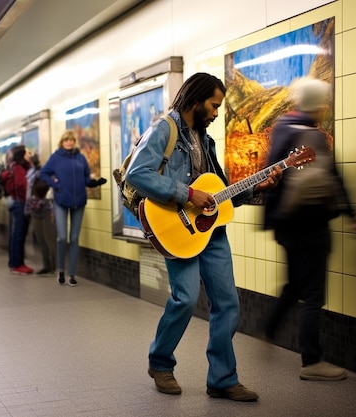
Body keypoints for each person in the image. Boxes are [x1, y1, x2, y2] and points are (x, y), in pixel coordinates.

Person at [125, 72, 281, 401]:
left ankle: (223, 379)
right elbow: (137, 174)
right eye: (213, 105)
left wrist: (256, 187)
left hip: (212, 232)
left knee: (227, 304)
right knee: (184, 298)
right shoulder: (165, 129)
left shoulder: (205, 139)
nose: (216, 112)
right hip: (176, 229)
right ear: (196, 100)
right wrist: (186, 194)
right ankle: (160, 363)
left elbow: (219, 193)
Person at [262, 76, 356, 381]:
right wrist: (351, 213)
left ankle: (269, 326)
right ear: (318, 104)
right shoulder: (312, 136)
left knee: (293, 284)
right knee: (314, 294)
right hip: (311, 224)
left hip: (286, 223)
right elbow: (332, 175)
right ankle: (311, 361)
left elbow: (271, 173)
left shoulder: (282, 128)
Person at [40, 130, 107, 286]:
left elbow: (85, 179)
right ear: (62, 142)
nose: (69, 142)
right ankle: (61, 270)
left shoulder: (81, 157)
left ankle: (72, 274)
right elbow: (44, 174)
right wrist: (56, 185)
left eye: (71, 140)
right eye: (66, 140)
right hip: (61, 201)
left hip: (79, 202)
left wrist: (95, 183)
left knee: (75, 238)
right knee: (62, 237)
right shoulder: (56, 157)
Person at [3, 144, 34, 275]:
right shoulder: (19, 168)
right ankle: (17, 264)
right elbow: (22, 186)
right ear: (22, 155)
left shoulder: (16, 166)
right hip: (20, 203)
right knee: (19, 234)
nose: (30, 155)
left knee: (16, 234)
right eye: (27, 153)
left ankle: (14, 263)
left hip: (16, 202)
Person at [25, 154, 56, 274]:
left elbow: (53, 194)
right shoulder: (30, 175)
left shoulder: (49, 175)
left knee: (49, 239)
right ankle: (46, 265)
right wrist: (28, 210)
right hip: (35, 210)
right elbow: (28, 194)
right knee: (41, 239)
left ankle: (54, 265)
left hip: (47, 210)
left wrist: (53, 211)